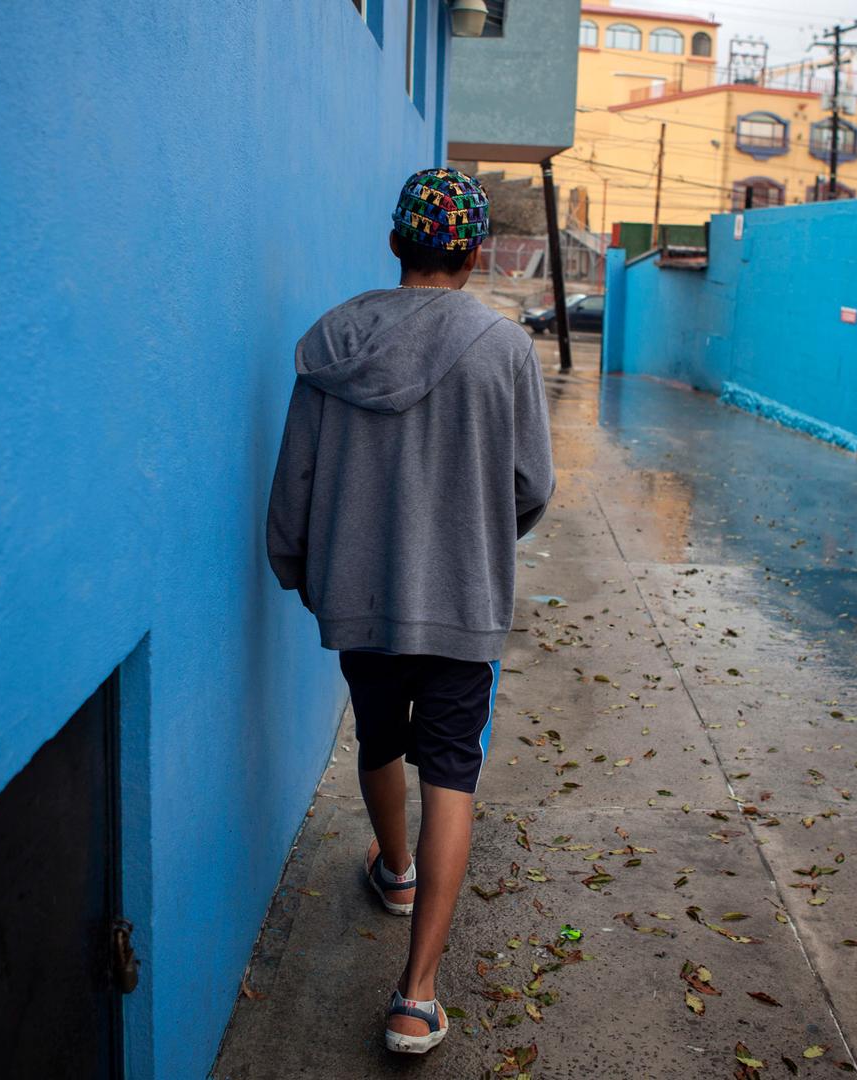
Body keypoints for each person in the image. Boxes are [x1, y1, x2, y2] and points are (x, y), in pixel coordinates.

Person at [265, 167, 554, 1055]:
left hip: (360, 596)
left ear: (398, 244)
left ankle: (394, 870)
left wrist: (296, 563)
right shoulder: (504, 350)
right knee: (452, 769)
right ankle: (417, 995)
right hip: (461, 599)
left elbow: (296, 483)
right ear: (469, 253)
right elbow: (531, 486)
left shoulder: (333, 342)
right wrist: (477, 535)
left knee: (379, 735)